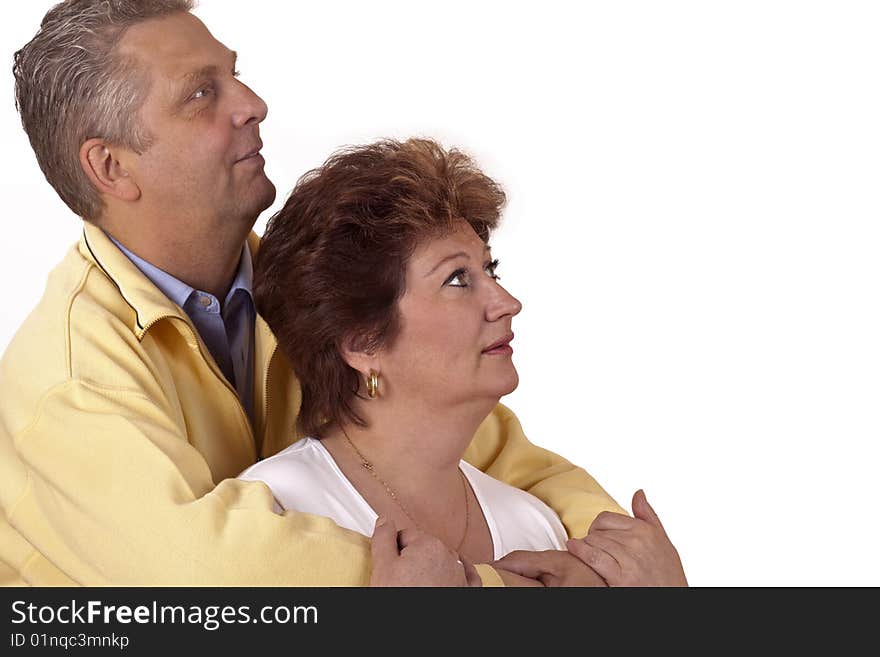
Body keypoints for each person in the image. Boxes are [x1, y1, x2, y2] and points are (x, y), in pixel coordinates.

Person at [0, 0, 627, 587]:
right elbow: (212, 578)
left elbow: (493, 453)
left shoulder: (309, 285)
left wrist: (616, 560)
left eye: (235, 76)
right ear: (111, 167)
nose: (253, 104)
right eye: (200, 94)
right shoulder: (68, 379)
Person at [239, 138, 687, 587]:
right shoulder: (279, 510)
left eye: (491, 271)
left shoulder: (536, 526)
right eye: (458, 279)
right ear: (363, 342)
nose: (507, 304)